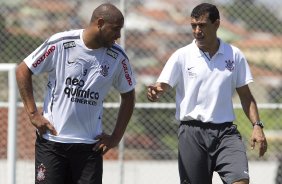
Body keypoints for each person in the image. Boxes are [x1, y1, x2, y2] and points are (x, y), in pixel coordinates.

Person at [147, 3, 267, 184]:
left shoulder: (234, 55)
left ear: (216, 24)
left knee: (241, 180)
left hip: (226, 133)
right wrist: (155, 92)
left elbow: (246, 95)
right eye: (193, 26)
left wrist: (257, 126)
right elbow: (161, 86)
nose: (196, 31)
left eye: (202, 25)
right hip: (191, 133)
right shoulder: (182, 55)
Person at [16, 3, 135, 184]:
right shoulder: (61, 43)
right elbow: (23, 70)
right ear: (100, 23)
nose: (118, 35)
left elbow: (128, 95)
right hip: (52, 143)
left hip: (90, 148)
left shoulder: (118, 56)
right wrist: (33, 114)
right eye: (115, 29)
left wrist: (115, 137)